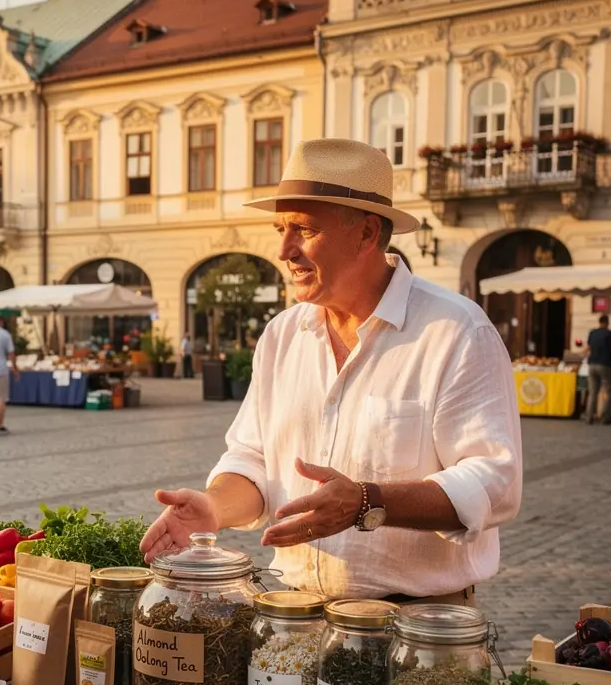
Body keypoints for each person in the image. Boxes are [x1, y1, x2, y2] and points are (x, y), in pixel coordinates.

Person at [141, 139, 522, 604]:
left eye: (303, 229)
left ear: (365, 234)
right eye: (281, 227)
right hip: (294, 613)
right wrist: (213, 507)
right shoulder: (283, 334)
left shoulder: (455, 330)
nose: (284, 249)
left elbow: (494, 483)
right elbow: (253, 459)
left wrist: (369, 502)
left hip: (417, 626)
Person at [584, 314, 611, 424]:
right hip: (605, 364)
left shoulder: (592, 333)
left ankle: (589, 417)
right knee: (609, 390)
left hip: (592, 364)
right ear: (607, 322)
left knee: (593, 392)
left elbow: (588, 348)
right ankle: (605, 417)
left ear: (599, 322)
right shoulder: (610, 334)